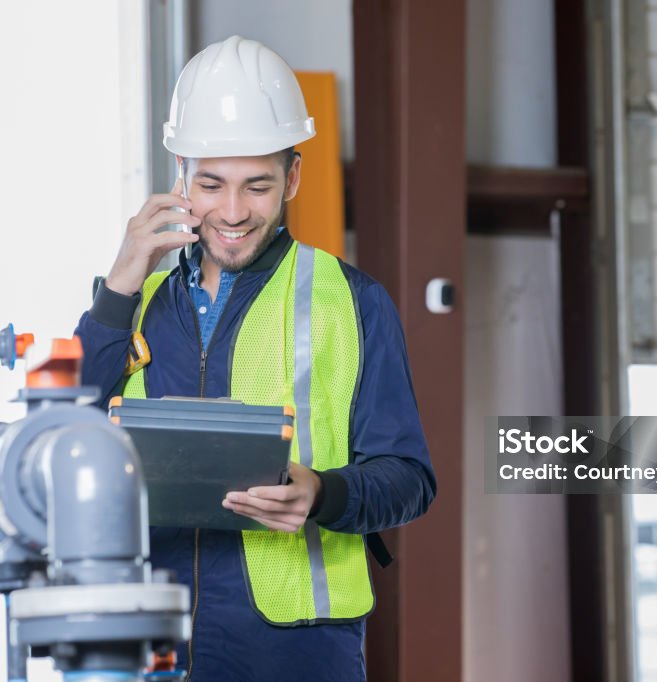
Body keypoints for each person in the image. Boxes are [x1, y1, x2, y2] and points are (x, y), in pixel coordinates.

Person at [74, 35, 436, 681]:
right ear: (181, 172)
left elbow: (409, 477)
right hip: (148, 632)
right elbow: (67, 434)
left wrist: (325, 492)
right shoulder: (135, 299)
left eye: (258, 186)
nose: (234, 212)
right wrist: (122, 281)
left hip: (293, 647)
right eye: (211, 184)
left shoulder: (351, 301)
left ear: (293, 177)